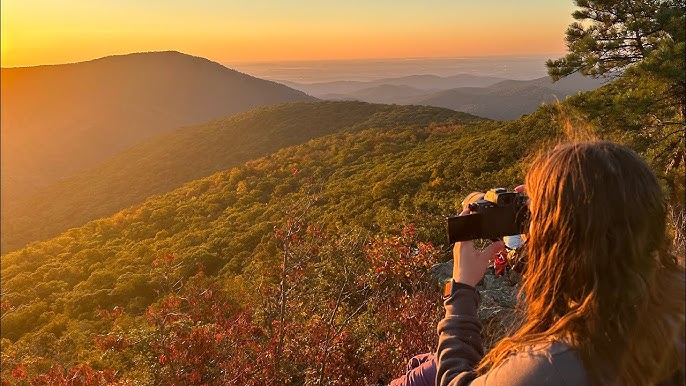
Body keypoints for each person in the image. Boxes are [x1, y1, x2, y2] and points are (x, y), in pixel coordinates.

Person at [437, 141, 685, 385]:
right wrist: (546, 234)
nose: (527, 221)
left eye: (534, 215)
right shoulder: (672, 297)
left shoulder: (552, 365)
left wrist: (461, 289)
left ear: (564, 241)